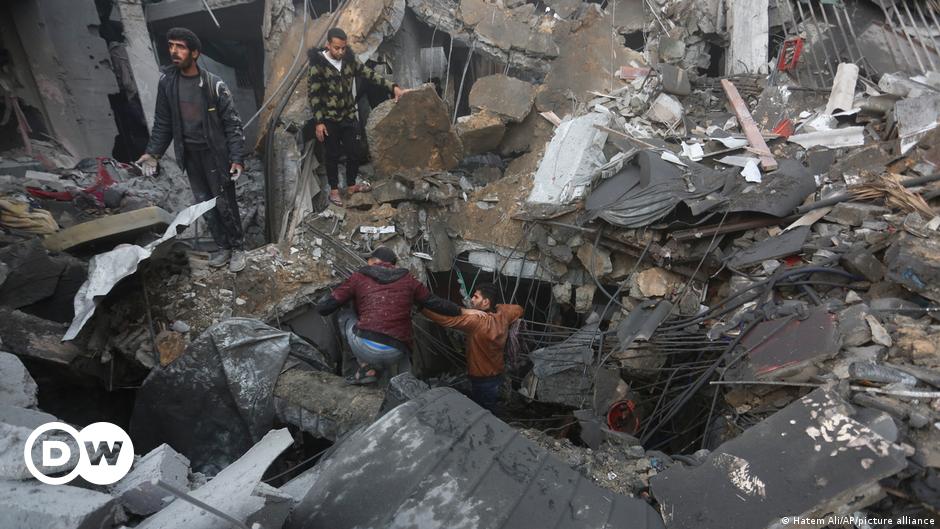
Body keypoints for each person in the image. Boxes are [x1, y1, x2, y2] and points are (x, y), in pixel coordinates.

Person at [135, 27, 248, 273]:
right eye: (171, 45)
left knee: (224, 204)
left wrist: (237, 158)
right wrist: (153, 152)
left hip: (215, 155)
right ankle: (223, 247)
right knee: (204, 205)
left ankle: (238, 248)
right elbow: (163, 122)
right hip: (190, 155)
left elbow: (233, 124)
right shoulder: (167, 82)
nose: (174, 51)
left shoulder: (213, 85)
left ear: (195, 53)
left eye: (181, 47)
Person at [317, 246, 460, 385]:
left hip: (366, 348)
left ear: (374, 261)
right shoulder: (408, 280)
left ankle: (365, 366)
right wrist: (458, 310)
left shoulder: (359, 277)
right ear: (393, 264)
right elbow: (433, 302)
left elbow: (324, 308)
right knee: (402, 328)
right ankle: (403, 384)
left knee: (345, 315)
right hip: (397, 352)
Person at [307, 27, 404, 207]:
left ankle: (351, 186)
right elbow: (314, 96)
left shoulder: (350, 60)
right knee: (332, 155)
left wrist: (393, 87)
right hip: (329, 119)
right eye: (337, 48)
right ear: (328, 45)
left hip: (349, 116)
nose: (340, 52)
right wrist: (319, 122)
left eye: (343, 48)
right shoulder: (317, 65)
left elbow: (371, 75)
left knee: (354, 152)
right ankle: (334, 190)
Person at [423, 283, 524, 412]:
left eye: (476, 297)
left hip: (481, 379)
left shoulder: (476, 321)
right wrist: (498, 308)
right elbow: (519, 309)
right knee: (490, 411)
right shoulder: (504, 315)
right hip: (497, 376)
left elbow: (447, 320)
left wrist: (422, 309)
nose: (471, 299)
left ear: (486, 301)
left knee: (483, 413)